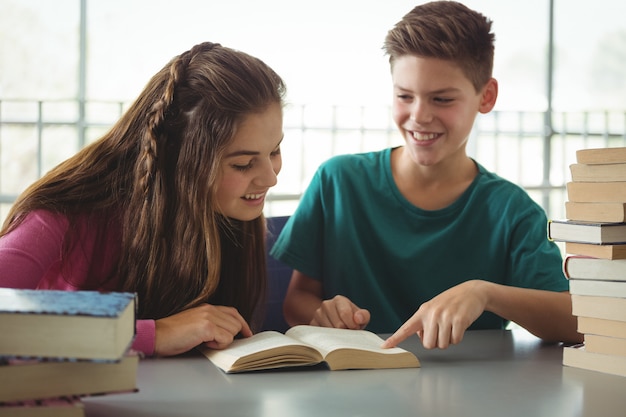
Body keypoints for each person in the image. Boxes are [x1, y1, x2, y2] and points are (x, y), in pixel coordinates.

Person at [270, 1, 582, 350]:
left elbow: (578, 323)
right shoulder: (337, 181)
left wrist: (485, 293)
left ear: (487, 96)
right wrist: (325, 313)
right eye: (405, 96)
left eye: (442, 99)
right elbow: (297, 302)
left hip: (469, 396)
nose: (419, 116)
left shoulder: (513, 211)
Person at [0, 42, 286, 357]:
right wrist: (155, 334)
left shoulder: (229, 213)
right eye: (243, 164)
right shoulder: (62, 213)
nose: (270, 178)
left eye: (274, 151)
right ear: (180, 158)